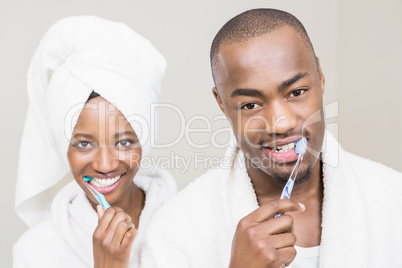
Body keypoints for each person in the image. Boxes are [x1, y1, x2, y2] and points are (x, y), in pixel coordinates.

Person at [141, 8, 402, 268]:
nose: (282, 123)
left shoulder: (392, 199)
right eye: (251, 105)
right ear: (221, 103)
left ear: (320, 76)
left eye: (296, 91)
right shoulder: (175, 232)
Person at [13, 16, 176, 267]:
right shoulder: (35, 253)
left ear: (145, 139)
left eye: (123, 143)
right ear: (62, 145)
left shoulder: (191, 224)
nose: (105, 164)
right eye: (84, 144)